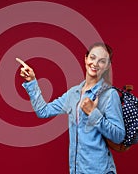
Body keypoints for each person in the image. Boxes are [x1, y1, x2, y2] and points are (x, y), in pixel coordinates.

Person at [16, 42, 125, 174]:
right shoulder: (74, 93)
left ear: (107, 66)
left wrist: (93, 113)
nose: (95, 63)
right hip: (76, 170)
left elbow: (119, 136)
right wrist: (32, 81)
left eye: (102, 61)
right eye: (92, 57)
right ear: (86, 58)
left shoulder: (109, 94)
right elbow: (43, 111)